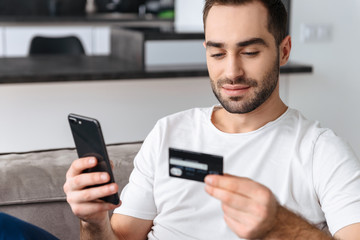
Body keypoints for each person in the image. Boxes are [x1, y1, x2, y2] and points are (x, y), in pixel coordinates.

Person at [63, 0, 360, 239]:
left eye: (250, 52)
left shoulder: (322, 152)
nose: (232, 71)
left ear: (283, 51)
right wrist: (93, 222)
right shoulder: (168, 131)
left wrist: (281, 227)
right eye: (218, 54)